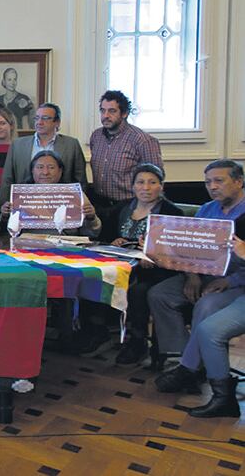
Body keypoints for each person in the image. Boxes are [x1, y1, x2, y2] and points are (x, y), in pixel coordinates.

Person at [148, 160, 245, 373]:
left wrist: (229, 281)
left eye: (219, 181)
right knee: (159, 295)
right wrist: (191, 276)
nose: (212, 187)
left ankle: (189, 367)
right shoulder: (206, 209)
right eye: (208, 182)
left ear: (239, 182)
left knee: (206, 304)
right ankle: (185, 355)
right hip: (202, 274)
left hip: (236, 281)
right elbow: (190, 249)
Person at [153, 220, 245, 419]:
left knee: (209, 318)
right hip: (220, 282)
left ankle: (196, 375)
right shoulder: (238, 219)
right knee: (208, 328)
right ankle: (222, 397)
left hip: (236, 286)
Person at [103, 164, 184, 364]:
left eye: (152, 182)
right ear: (133, 186)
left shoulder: (172, 212)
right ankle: (97, 333)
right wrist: (114, 241)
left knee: (138, 291)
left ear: (161, 186)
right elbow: (103, 238)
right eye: (140, 182)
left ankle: (138, 341)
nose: (146, 187)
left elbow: (178, 250)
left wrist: (153, 254)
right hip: (122, 266)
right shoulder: (122, 208)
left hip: (158, 271)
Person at [0, 103, 87, 205]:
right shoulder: (18, 145)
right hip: (24, 206)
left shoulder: (71, 145)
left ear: (57, 122)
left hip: (62, 206)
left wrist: (79, 207)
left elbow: (80, 181)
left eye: (45, 118)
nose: (39, 122)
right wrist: (4, 208)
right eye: (37, 118)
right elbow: (7, 179)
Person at [88, 90, 163, 210]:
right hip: (99, 204)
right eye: (103, 110)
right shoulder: (96, 136)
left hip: (128, 206)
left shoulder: (142, 140)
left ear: (125, 113)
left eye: (112, 111)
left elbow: (156, 177)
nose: (106, 116)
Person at [0, 150, 102, 238]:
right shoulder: (20, 195)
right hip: (28, 245)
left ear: (60, 171)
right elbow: (7, 231)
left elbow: (93, 233)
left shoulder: (75, 194)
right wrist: (5, 215)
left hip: (65, 246)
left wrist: (91, 218)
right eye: (40, 167)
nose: (45, 172)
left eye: (51, 167)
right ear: (32, 170)